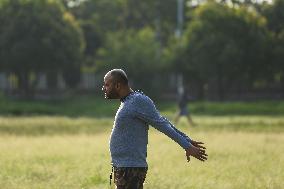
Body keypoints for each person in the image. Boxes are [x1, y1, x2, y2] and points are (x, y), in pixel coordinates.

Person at [102, 69, 207, 189]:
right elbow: (164, 121)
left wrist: (187, 145)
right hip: (124, 167)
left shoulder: (137, 101)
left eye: (107, 84)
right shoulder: (127, 102)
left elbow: (162, 124)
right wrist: (187, 139)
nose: (104, 88)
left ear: (117, 85)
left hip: (130, 169)